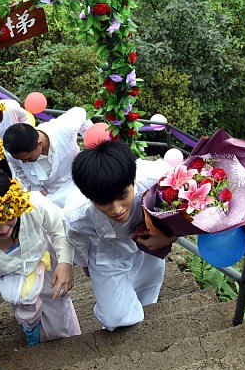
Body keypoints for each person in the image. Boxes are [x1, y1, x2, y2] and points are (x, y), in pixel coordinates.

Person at [0, 170, 81, 345]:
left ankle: (68, 341)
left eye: (9, 218)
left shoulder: (32, 204)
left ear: (16, 206)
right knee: (29, 317)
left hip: (47, 270)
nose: (3, 230)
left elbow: (60, 226)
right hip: (15, 286)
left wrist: (65, 263)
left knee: (58, 307)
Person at [65, 140, 176, 330]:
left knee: (148, 291)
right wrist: (84, 263)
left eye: (123, 196)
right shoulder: (77, 215)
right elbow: (77, 239)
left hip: (149, 237)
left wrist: (170, 236)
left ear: (133, 180)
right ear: (89, 197)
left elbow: (186, 211)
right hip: (106, 249)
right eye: (103, 202)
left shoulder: (158, 180)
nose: (117, 209)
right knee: (114, 318)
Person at [5, 106, 91, 209]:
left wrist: (92, 144)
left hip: (80, 182)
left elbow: (80, 112)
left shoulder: (63, 129)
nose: (24, 162)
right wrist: (37, 189)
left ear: (39, 143)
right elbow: (18, 169)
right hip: (50, 196)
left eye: (27, 158)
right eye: (20, 159)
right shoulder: (11, 152)